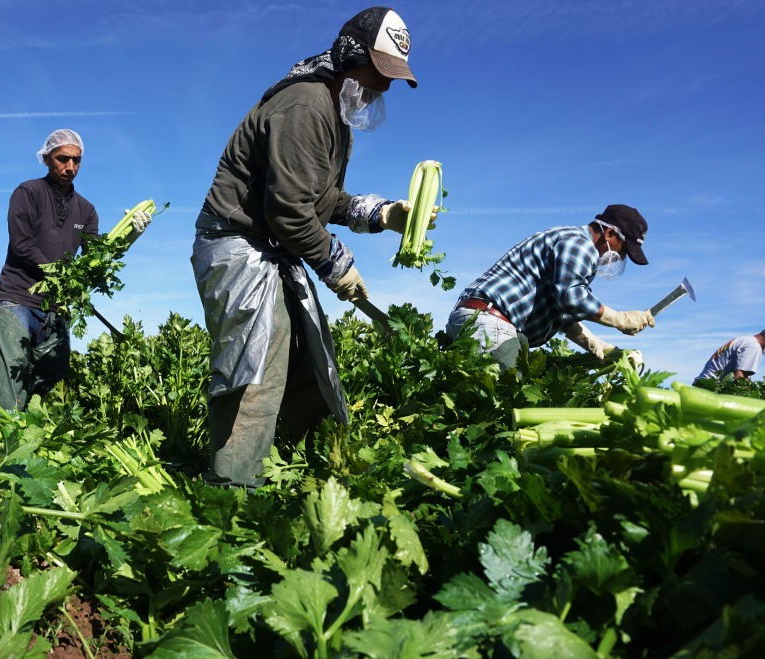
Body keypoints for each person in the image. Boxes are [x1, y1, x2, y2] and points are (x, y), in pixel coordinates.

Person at [191, 6, 421, 489]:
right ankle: (232, 490)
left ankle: (298, 468)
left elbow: (323, 199)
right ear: (350, 55)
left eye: (393, 79)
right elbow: (291, 212)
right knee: (257, 363)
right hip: (239, 243)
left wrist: (380, 215)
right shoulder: (305, 104)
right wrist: (338, 266)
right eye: (379, 73)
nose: (383, 87)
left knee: (308, 353)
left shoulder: (335, 117)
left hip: (273, 245)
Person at [0, 129, 151, 411]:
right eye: (63, 159)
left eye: (76, 160)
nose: (70, 167)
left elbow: (96, 259)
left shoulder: (86, 210)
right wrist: (61, 274)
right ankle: (0, 445)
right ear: (47, 159)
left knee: (51, 381)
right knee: (7, 384)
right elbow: (22, 244)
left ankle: (31, 435)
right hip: (17, 299)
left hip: (56, 306)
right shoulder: (28, 193)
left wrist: (130, 235)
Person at [446, 204, 654, 371]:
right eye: (624, 249)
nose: (621, 256)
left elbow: (562, 310)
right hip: (491, 323)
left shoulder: (567, 240)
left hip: (478, 319)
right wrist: (620, 319)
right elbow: (572, 297)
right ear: (609, 233)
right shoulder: (580, 245)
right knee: (508, 399)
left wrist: (593, 341)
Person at [695, 330, 765, 381]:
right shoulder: (753, 347)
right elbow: (740, 379)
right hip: (710, 390)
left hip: (702, 385)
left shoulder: (745, 340)